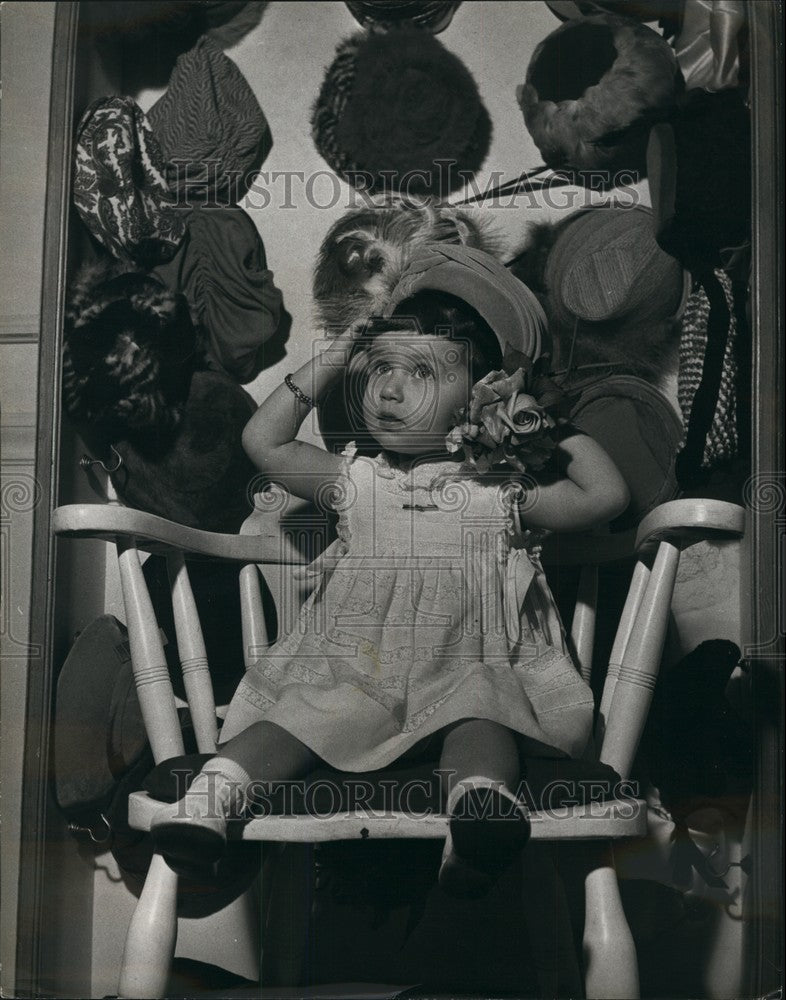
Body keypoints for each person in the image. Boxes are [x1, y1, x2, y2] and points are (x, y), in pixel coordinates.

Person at [151, 245, 629, 898]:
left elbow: (605, 497)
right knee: (287, 725)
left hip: (467, 670)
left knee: (483, 721)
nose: (389, 388)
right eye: (379, 369)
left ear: (478, 394)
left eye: (421, 372)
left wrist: (532, 414)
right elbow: (263, 442)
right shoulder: (357, 480)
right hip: (355, 673)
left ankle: (478, 814)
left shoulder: (500, 491)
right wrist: (342, 350)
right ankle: (208, 805)